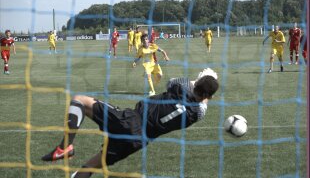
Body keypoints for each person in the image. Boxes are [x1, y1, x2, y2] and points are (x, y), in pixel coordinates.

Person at [41, 68, 219, 178]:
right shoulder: (197, 114)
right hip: (138, 141)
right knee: (91, 166)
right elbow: (202, 102)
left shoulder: (180, 86)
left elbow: (172, 82)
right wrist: (207, 87)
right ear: (209, 97)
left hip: (130, 120)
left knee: (79, 100)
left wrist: (202, 77)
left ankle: (66, 147)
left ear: (196, 85)